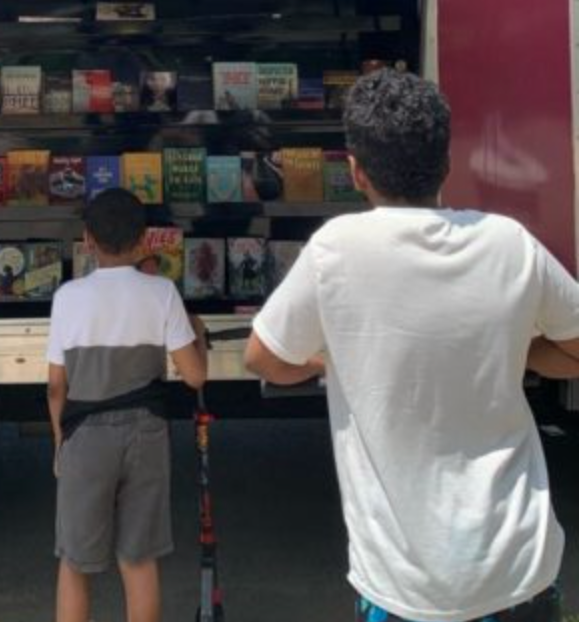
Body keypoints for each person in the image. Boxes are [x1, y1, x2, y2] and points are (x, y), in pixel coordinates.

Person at [245, 69, 579, 622]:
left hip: (403, 584)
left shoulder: (336, 249)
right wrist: (511, 348)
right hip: (519, 567)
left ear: (356, 171)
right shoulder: (509, 243)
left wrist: (337, 356)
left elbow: (266, 358)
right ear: (446, 164)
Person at [47, 188, 208, 622]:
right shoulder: (162, 293)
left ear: (87, 240)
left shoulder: (67, 297)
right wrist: (198, 333)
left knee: (76, 562)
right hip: (146, 434)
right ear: (144, 241)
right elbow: (194, 376)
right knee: (139, 559)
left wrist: (60, 441)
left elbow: (56, 387)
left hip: (85, 438)